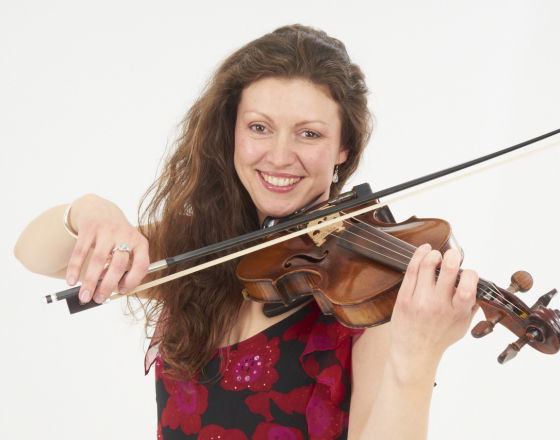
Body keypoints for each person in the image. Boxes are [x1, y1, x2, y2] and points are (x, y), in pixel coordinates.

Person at [14, 24, 478, 440]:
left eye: (309, 134)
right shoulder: (201, 247)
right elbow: (34, 254)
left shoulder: (371, 295)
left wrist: (418, 358)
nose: (279, 156)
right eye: (259, 127)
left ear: (344, 147)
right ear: (231, 132)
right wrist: (91, 211)